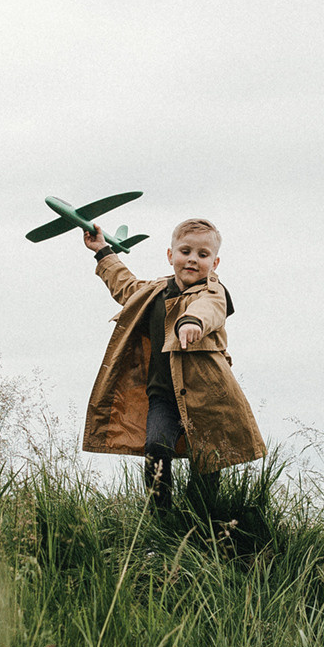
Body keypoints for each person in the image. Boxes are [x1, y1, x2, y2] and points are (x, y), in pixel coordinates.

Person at [77, 217, 266, 512]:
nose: (193, 260)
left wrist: (192, 321)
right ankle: (160, 518)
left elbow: (211, 309)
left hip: (208, 398)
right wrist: (102, 251)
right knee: (156, 447)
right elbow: (127, 288)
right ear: (171, 255)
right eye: (186, 251)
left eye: (203, 255)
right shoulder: (155, 292)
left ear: (214, 264)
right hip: (163, 396)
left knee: (208, 461)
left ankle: (200, 520)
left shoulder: (212, 292)